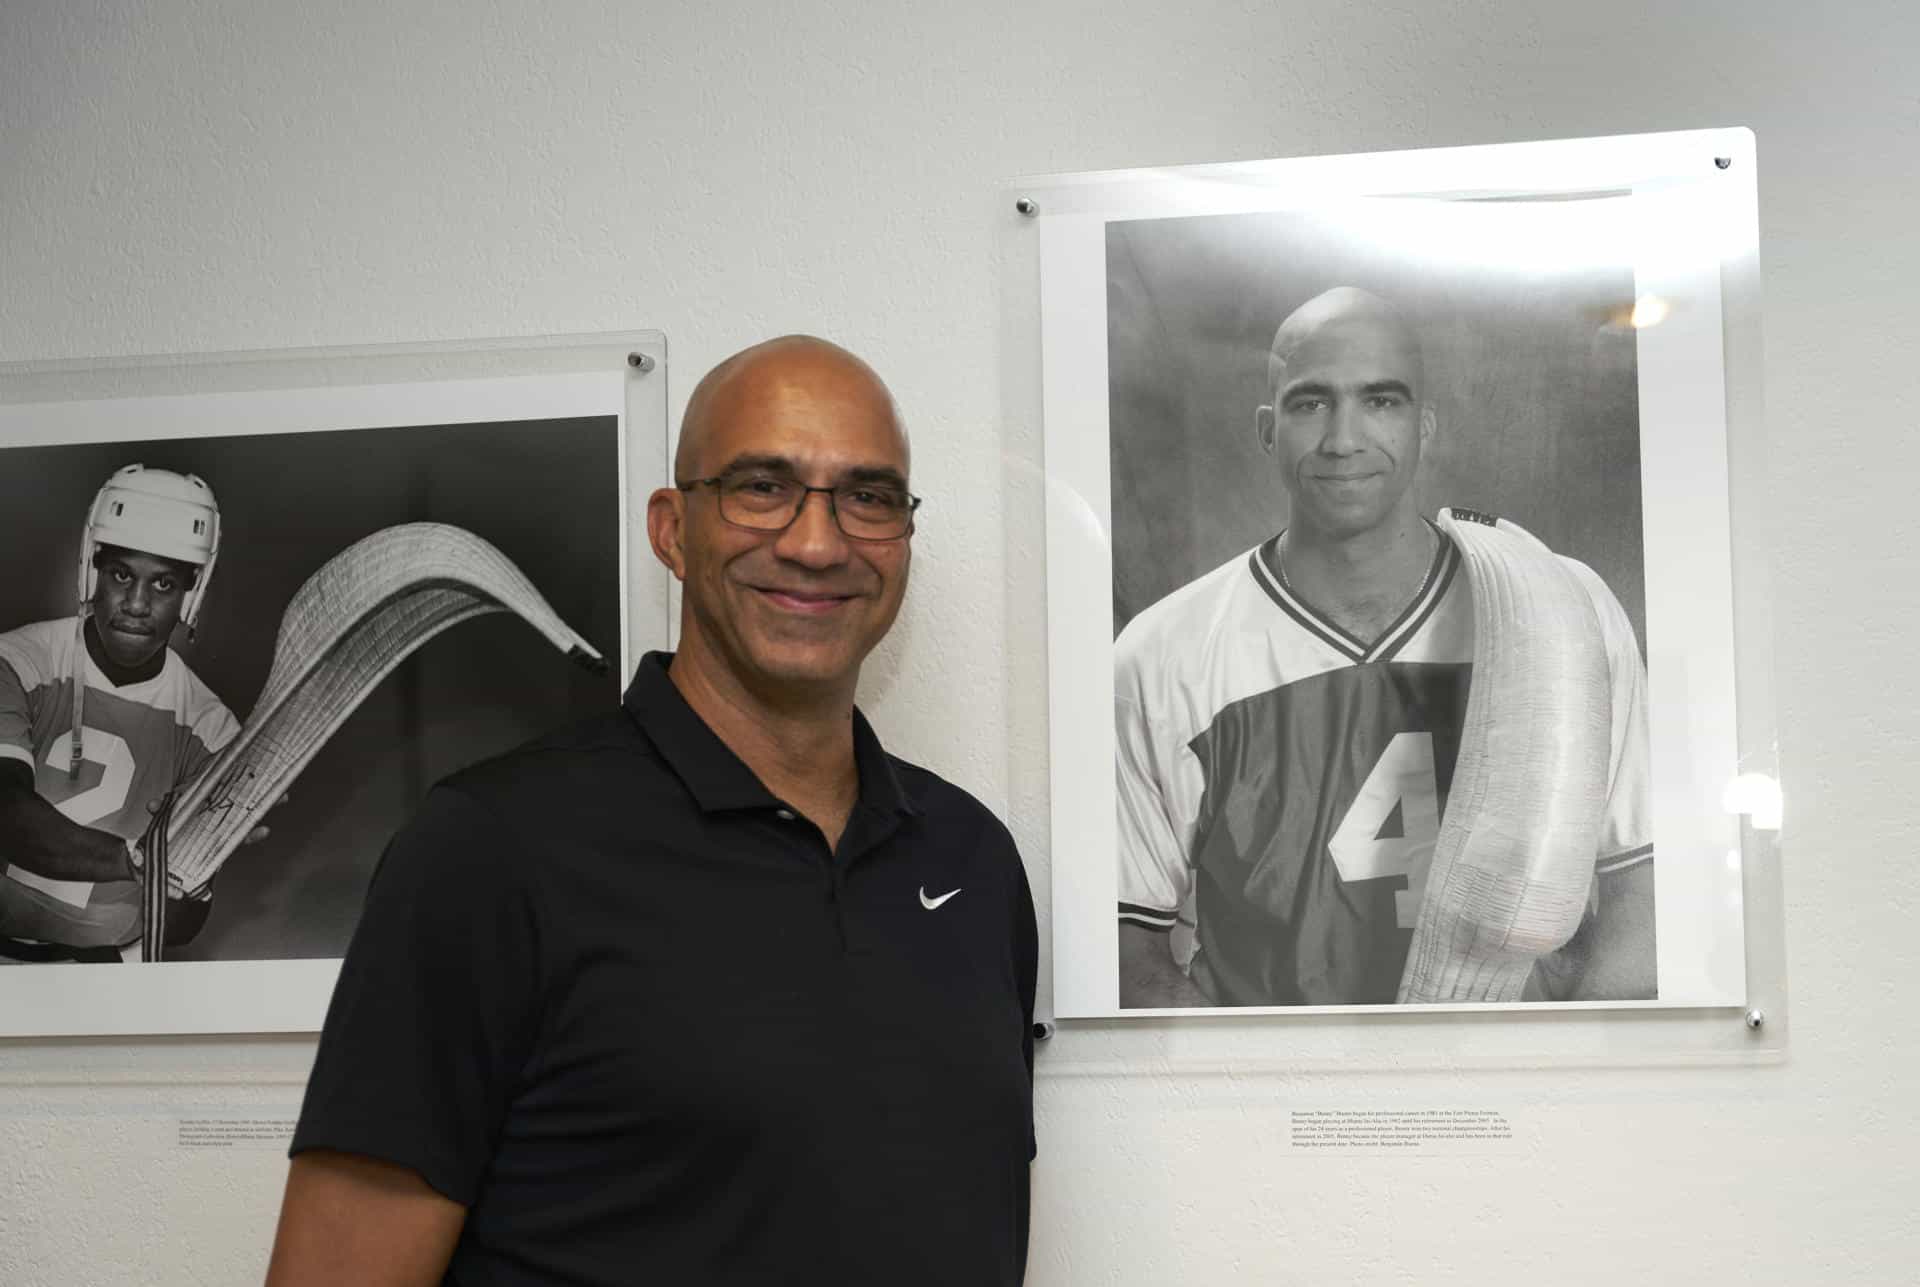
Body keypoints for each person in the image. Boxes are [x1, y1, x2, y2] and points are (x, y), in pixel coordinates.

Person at [267, 336, 1038, 1286]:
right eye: (763, 485)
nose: (817, 540)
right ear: (673, 529)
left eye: (868, 497)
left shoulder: (972, 863)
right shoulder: (491, 850)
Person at [1115, 287, 1654, 1008]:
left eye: (1381, 401)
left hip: (1511, 1104)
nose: (1343, 439)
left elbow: (1640, 903)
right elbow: (1131, 960)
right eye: (1311, 404)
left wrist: (1550, 1101)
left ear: (1425, 426)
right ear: (1267, 430)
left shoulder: (1562, 610)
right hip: (1275, 1110)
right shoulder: (1160, 653)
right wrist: (1247, 1110)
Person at [0, 464, 240, 961]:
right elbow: (5, 813)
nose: (135, 603)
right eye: (122, 573)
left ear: (189, 597)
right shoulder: (18, 663)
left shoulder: (212, 731)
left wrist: (197, 864)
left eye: (164, 584)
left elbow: (181, 925)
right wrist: (139, 860)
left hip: (107, 977)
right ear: (92, 570)